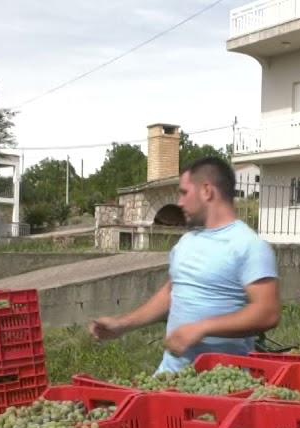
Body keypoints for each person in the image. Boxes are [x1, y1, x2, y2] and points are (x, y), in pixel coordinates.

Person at [88, 156, 279, 373]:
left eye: (184, 192)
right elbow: (171, 292)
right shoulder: (186, 242)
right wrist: (122, 325)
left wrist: (203, 328)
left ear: (207, 191)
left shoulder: (248, 245)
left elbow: (267, 313)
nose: (179, 203)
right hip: (170, 375)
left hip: (221, 383)